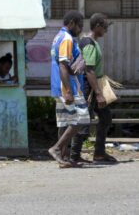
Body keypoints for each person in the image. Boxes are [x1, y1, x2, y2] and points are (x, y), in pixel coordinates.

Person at [69, 13, 117, 163]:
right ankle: (74, 155)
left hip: (94, 86)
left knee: (105, 117)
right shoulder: (88, 43)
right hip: (89, 87)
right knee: (84, 120)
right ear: (97, 26)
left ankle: (99, 153)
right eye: (105, 27)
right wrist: (98, 93)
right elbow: (89, 70)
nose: (106, 31)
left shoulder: (92, 41)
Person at [48, 10, 90, 168]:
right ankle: (57, 149)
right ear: (71, 22)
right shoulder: (66, 38)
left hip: (59, 86)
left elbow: (65, 64)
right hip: (69, 87)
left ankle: (64, 158)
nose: (80, 30)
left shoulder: (58, 37)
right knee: (82, 119)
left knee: (65, 122)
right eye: (79, 26)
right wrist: (69, 91)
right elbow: (63, 65)